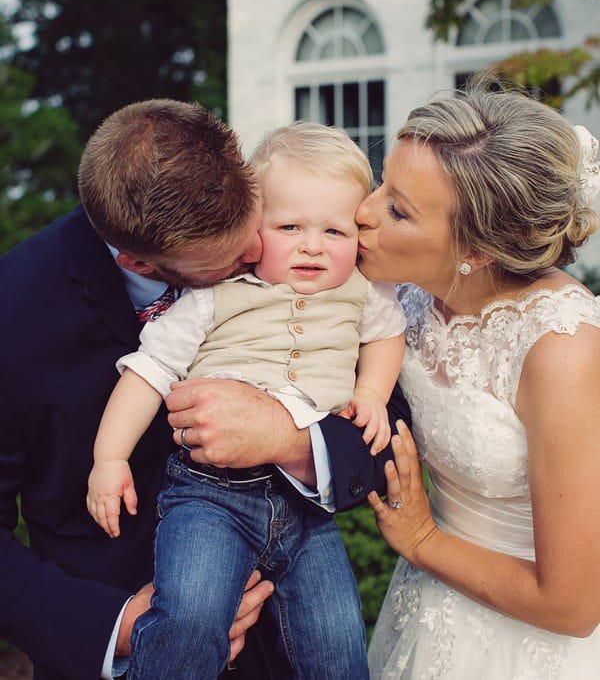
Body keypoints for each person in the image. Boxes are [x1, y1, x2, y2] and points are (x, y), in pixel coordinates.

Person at [0, 99, 411, 680]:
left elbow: (393, 415)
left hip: (278, 644)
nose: (258, 255)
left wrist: (290, 439)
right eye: (229, 256)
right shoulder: (13, 309)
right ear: (140, 261)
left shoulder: (314, 245)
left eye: (258, 221)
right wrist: (113, 626)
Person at [356, 83, 600, 679]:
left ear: (477, 251)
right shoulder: (405, 299)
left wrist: (420, 541)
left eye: (399, 210)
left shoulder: (560, 348)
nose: (363, 211)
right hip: (425, 610)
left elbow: (574, 605)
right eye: (380, 182)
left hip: (530, 644)